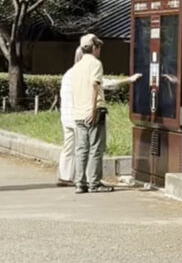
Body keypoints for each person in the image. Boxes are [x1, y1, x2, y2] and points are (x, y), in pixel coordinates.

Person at [57, 49, 141, 187]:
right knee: (88, 148)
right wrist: (129, 80)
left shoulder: (68, 73)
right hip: (80, 115)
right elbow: (104, 83)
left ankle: (65, 177)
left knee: (69, 147)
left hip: (66, 116)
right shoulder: (84, 73)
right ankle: (89, 180)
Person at [69, 33, 111, 194]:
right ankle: (94, 183)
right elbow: (95, 85)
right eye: (98, 46)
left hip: (78, 113)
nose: (99, 49)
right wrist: (93, 109)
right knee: (95, 148)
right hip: (93, 111)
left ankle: (80, 183)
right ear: (94, 47)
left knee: (81, 149)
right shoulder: (95, 64)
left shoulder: (75, 67)